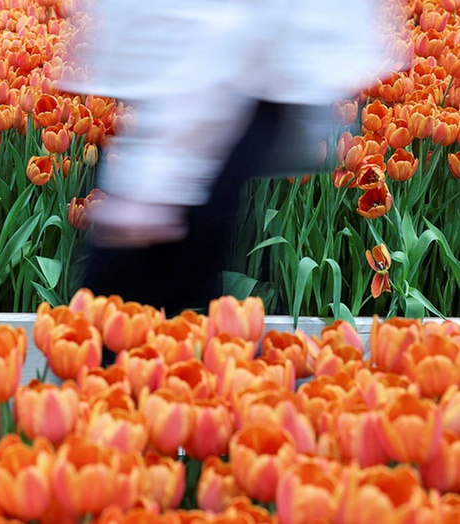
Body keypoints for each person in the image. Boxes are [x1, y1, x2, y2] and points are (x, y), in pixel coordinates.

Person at [59, 0, 403, 364]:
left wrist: (160, 168)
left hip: (215, 99)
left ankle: (180, 396)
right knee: (180, 305)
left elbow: (208, 30)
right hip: (238, 89)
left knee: (116, 314)